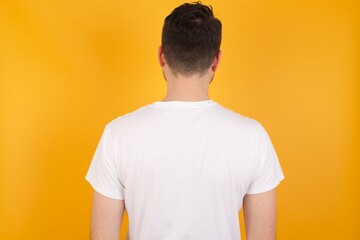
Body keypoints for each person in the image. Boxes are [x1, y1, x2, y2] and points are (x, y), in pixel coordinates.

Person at [85, 2, 284, 240]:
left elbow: (102, 236)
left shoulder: (117, 135)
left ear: (161, 56)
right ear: (216, 61)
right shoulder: (253, 137)